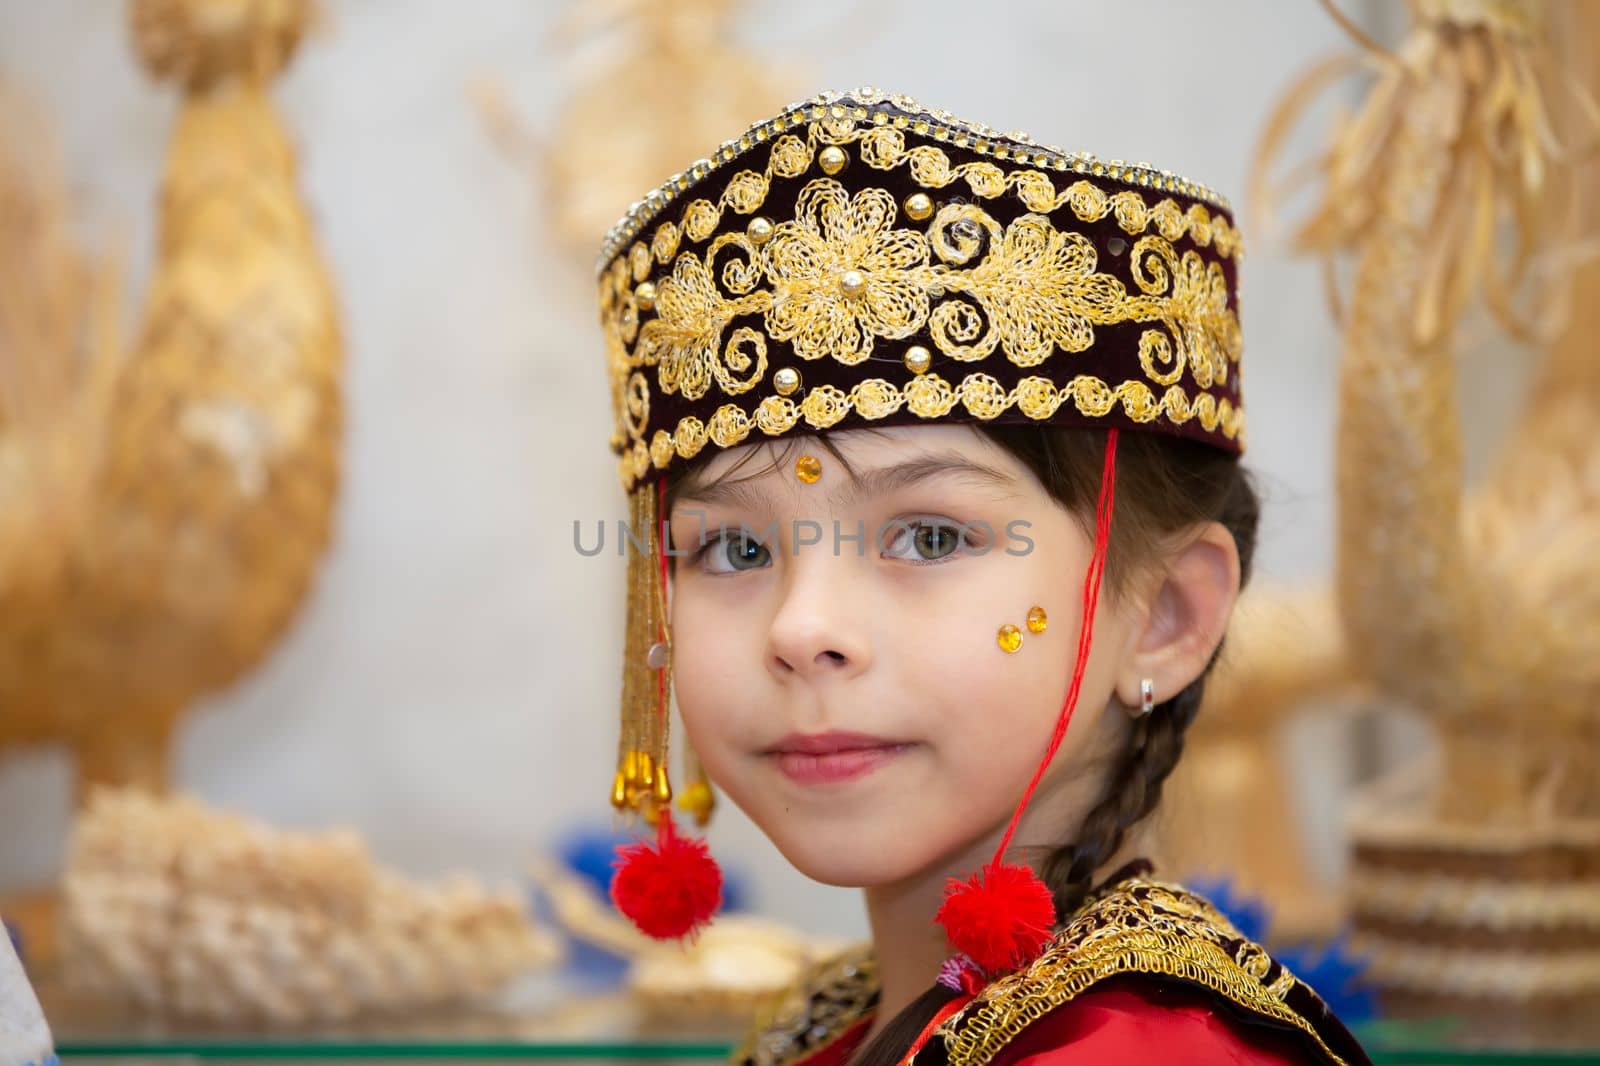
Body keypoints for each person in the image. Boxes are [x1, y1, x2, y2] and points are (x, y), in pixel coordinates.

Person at [591, 88, 1372, 1066]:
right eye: (734, 549)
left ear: (1166, 614)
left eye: (926, 538)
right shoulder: (835, 1025)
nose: (802, 628)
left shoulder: (1141, 1051)